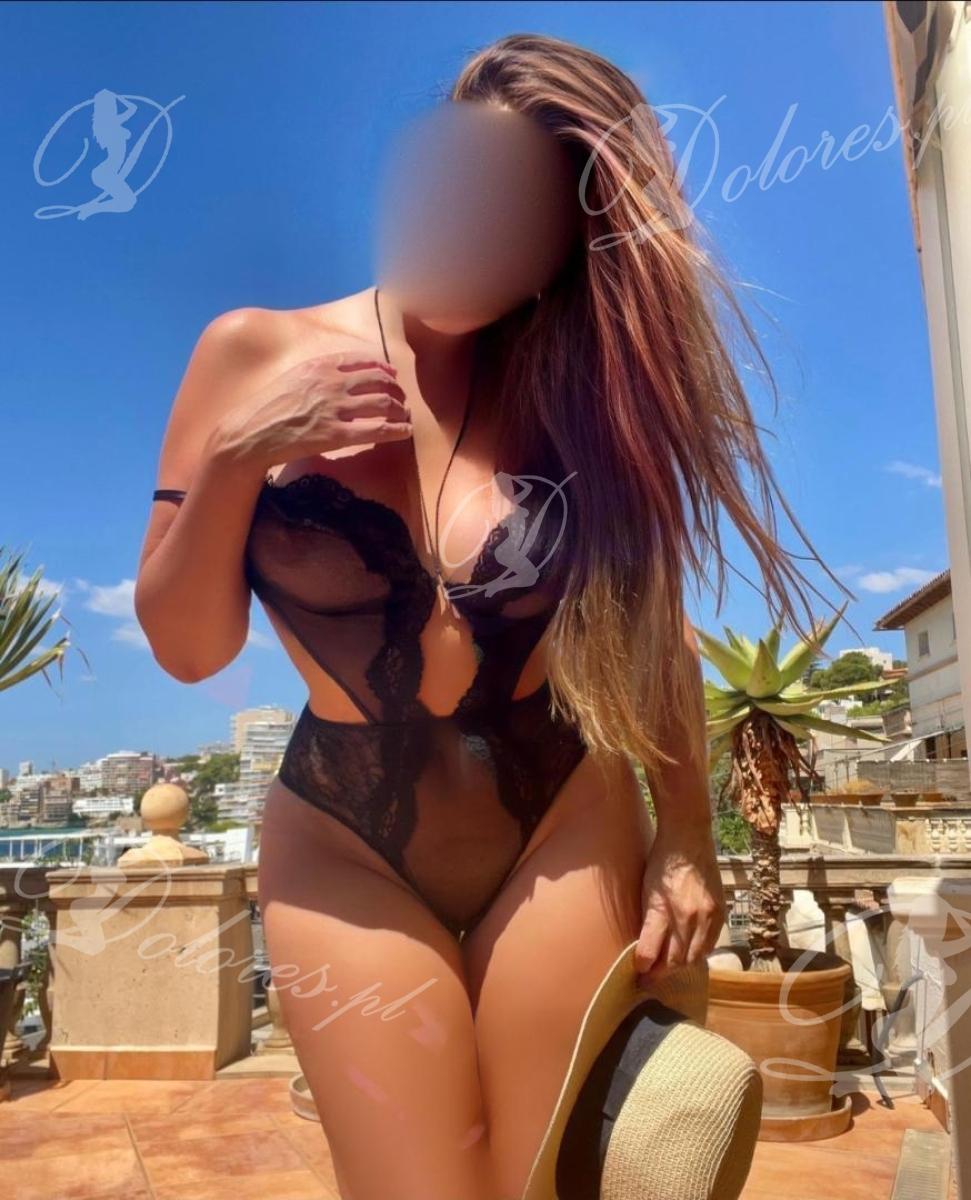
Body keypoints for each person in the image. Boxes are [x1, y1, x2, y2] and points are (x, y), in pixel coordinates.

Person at [136, 32, 829, 1200]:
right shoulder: (249, 352)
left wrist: (685, 836)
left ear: (564, 251)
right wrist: (241, 456)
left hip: (558, 810)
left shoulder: (578, 400)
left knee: (538, 1179)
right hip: (344, 834)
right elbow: (189, 650)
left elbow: (652, 632)